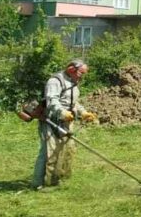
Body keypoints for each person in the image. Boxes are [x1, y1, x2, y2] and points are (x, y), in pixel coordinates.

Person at [32, 59, 96, 189]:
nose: (82, 76)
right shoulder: (55, 81)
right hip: (51, 121)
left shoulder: (73, 83)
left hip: (66, 122)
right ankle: (38, 183)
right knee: (48, 152)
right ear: (72, 70)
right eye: (81, 73)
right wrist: (62, 113)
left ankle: (58, 178)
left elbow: (73, 103)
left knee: (67, 150)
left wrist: (83, 113)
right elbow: (52, 101)